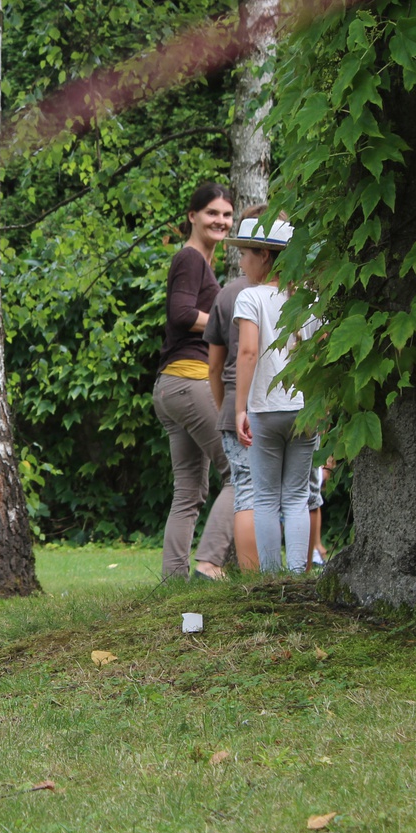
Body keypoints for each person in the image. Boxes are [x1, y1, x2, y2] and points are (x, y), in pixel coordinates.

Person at [152, 183, 235, 580]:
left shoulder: (201, 261)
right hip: (190, 380)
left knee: (188, 491)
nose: (221, 221)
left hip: (171, 387)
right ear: (192, 216)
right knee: (242, 471)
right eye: (212, 213)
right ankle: (210, 563)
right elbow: (182, 313)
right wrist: (231, 325)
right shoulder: (190, 257)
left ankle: (174, 582)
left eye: (227, 215)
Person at [230, 217, 320, 573]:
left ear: (264, 256)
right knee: (298, 496)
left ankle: (270, 577)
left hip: (265, 409)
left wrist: (240, 408)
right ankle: (297, 574)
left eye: (244, 254)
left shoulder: (250, 297)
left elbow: (248, 352)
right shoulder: (310, 299)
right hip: (305, 408)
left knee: (266, 497)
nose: (241, 263)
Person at [203, 203, 268, 572]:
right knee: (296, 496)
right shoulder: (299, 292)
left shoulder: (229, 294)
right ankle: (298, 573)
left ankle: (252, 577)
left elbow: (214, 365)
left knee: (247, 492)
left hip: (236, 409)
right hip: (287, 406)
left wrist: (225, 406)